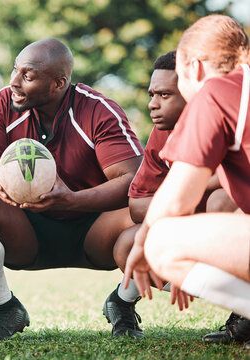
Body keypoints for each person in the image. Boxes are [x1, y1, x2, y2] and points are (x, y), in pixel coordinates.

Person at [0, 38, 143, 341]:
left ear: (58, 83)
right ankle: (6, 308)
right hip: (27, 231)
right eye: (15, 70)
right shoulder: (4, 103)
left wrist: (71, 200)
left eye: (28, 75)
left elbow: (133, 180)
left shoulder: (97, 110)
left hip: (95, 230)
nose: (13, 81)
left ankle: (122, 303)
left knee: (150, 211)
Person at [124, 14, 250, 349]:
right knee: (229, 206)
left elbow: (176, 199)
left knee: (162, 240)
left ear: (192, 67)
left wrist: (141, 246)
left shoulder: (215, 92)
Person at [102, 50, 187, 339]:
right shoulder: (161, 133)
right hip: (195, 231)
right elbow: (138, 204)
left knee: (220, 201)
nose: (152, 104)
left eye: (164, 95)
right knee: (129, 243)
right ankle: (121, 302)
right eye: (152, 94)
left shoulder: (234, 122)